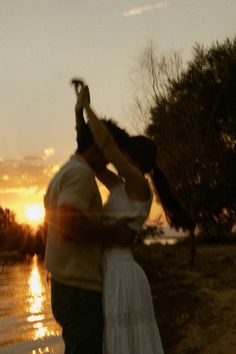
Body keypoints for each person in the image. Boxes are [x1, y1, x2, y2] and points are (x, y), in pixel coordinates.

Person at [74, 82, 166, 353]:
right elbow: (90, 155)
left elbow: (108, 146)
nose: (118, 156)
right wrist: (78, 113)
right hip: (111, 274)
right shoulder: (120, 186)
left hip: (123, 276)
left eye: (124, 154)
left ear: (133, 158)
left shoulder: (139, 185)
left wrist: (88, 106)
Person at [44, 88, 133, 354]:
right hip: (78, 289)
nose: (110, 158)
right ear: (96, 148)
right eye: (107, 150)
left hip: (67, 285)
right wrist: (113, 233)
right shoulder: (80, 176)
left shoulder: (66, 171)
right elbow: (71, 227)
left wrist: (79, 114)